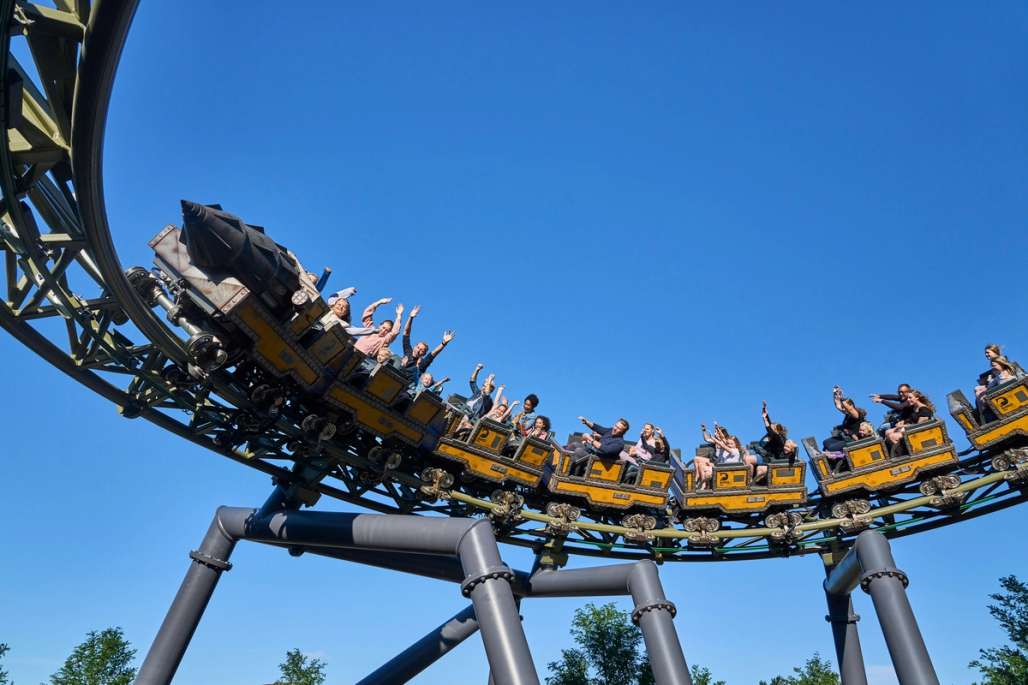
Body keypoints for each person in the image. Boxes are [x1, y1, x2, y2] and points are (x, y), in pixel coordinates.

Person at [397, 304, 455, 382]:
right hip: (397, 377)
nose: (418, 350)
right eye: (418, 347)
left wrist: (443, 343)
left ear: (423, 354)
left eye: (421, 350)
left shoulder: (422, 363)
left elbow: (433, 353)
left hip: (407, 387)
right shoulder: (408, 352)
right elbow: (406, 332)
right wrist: (411, 318)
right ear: (414, 347)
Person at [565, 416, 630, 475]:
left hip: (600, 462)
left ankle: (572, 475)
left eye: (619, 428)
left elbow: (605, 450)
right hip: (594, 455)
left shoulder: (619, 443)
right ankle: (562, 466)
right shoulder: (610, 431)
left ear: (623, 432)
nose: (615, 428)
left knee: (579, 451)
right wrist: (586, 422)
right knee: (574, 444)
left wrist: (590, 439)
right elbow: (598, 428)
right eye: (616, 426)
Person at [884, 389, 935, 456]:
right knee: (887, 432)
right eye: (908, 397)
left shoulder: (924, 410)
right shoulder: (913, 408)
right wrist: (902, 422)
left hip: (916, 434)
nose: (908, 400)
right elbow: (910, 419)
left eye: (910, 397)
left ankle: (903, 454)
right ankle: (897, 451)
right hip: (908, 429)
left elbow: (918, 427)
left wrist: (903, 426)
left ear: (917, 398)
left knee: (892, 437)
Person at [822, 386, 868, 452]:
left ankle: (837, 457)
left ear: (851, 405)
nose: (843, 408)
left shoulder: (857, 414)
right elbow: (838, 406)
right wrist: (836, 394)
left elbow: (850, 409)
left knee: (830, 448)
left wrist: (842, 398)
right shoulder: (848, 414)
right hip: (845, 438)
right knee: (825, 442)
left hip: (853, 440)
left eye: (844, 406)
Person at [976, 356, 1019, 423]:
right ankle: (983, 416)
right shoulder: (999, 376)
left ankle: (984, 417)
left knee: (985, 400)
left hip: (1010, 398)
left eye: (994, 365)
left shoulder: (1006, 374)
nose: (992, 368)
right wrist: (990, 381)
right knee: (981, 395)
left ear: (1001, 364)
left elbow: (1006, 382)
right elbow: (990, 386)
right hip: (1003, 398)